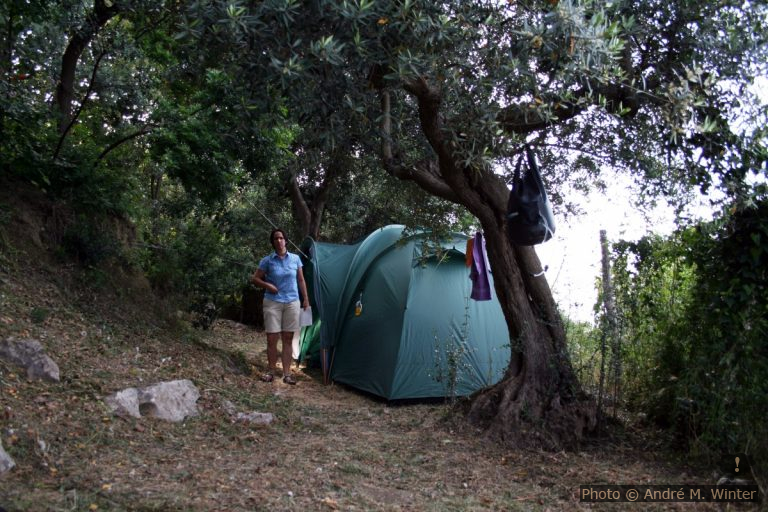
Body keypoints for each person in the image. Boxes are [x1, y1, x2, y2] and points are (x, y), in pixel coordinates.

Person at [251, 228, 310, 385]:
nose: (279, 241)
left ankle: (286, 374)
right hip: (272, 302)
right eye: (276, 238)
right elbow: (255, 279)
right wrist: (268, 286)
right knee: (272, 338)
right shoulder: (267, 261)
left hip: (292, 301)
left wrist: (306, 299)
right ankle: (270, 372)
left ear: (286, 240)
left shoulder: (296, 259)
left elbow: (301, 280)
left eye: (281, 238)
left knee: (288, 338)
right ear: (272, 242)